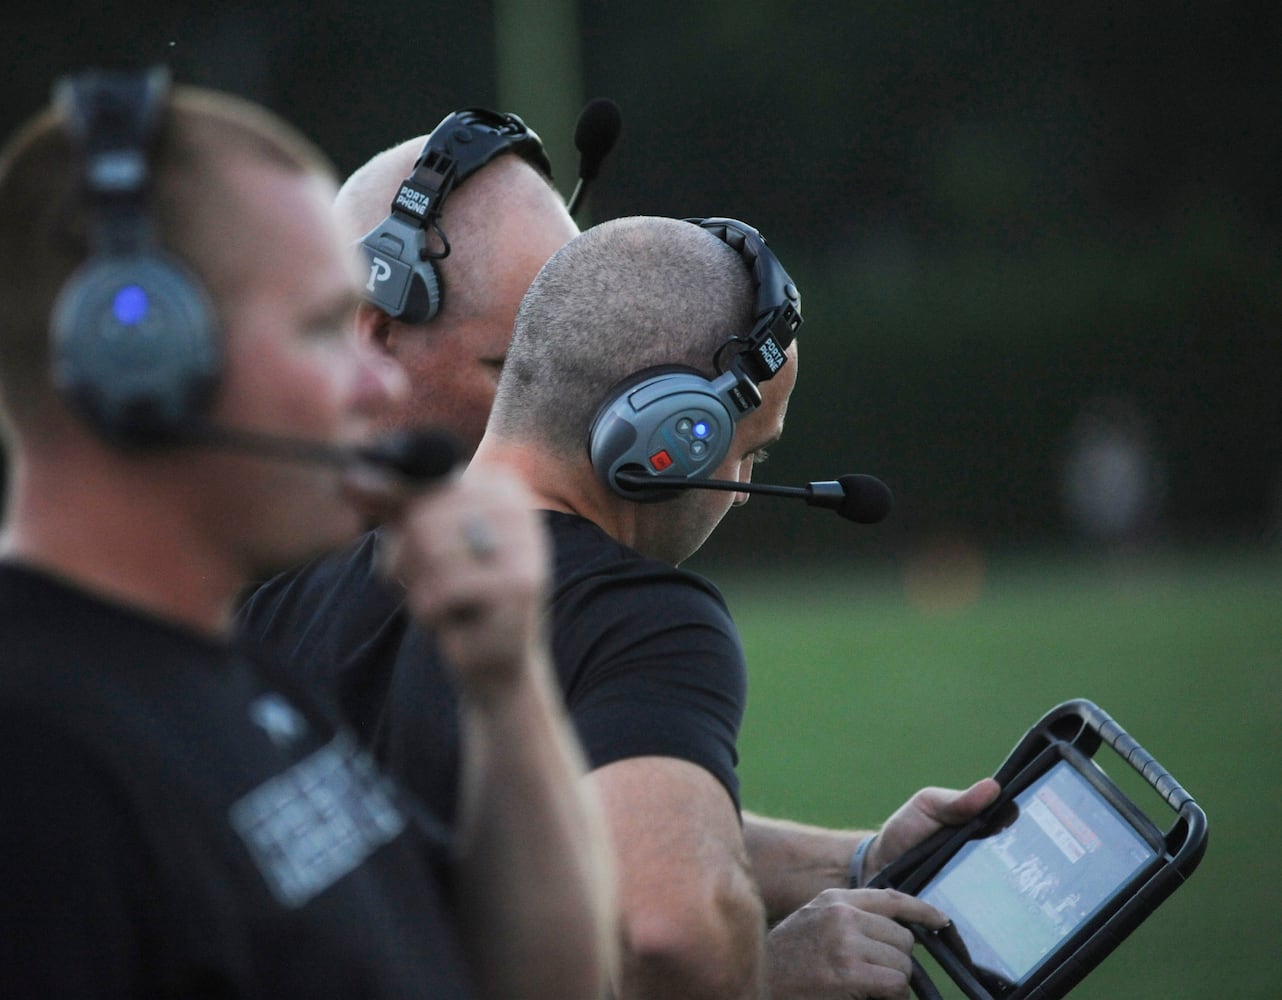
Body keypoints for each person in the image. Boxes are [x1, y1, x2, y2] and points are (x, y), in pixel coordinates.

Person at [242, 167, 997, 996]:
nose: (742, 487)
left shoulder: (301, 576)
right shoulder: (644, 620)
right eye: (750, 449)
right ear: (673, 436)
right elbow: (669, 937)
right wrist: (776, 975)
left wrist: (855, 860)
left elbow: (578, 813)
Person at [0, 71, 613, 999]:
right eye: (325, 328)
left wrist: (506, 680)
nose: (378, 387)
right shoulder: (37, 769)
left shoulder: (228, 670)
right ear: (141, 366)